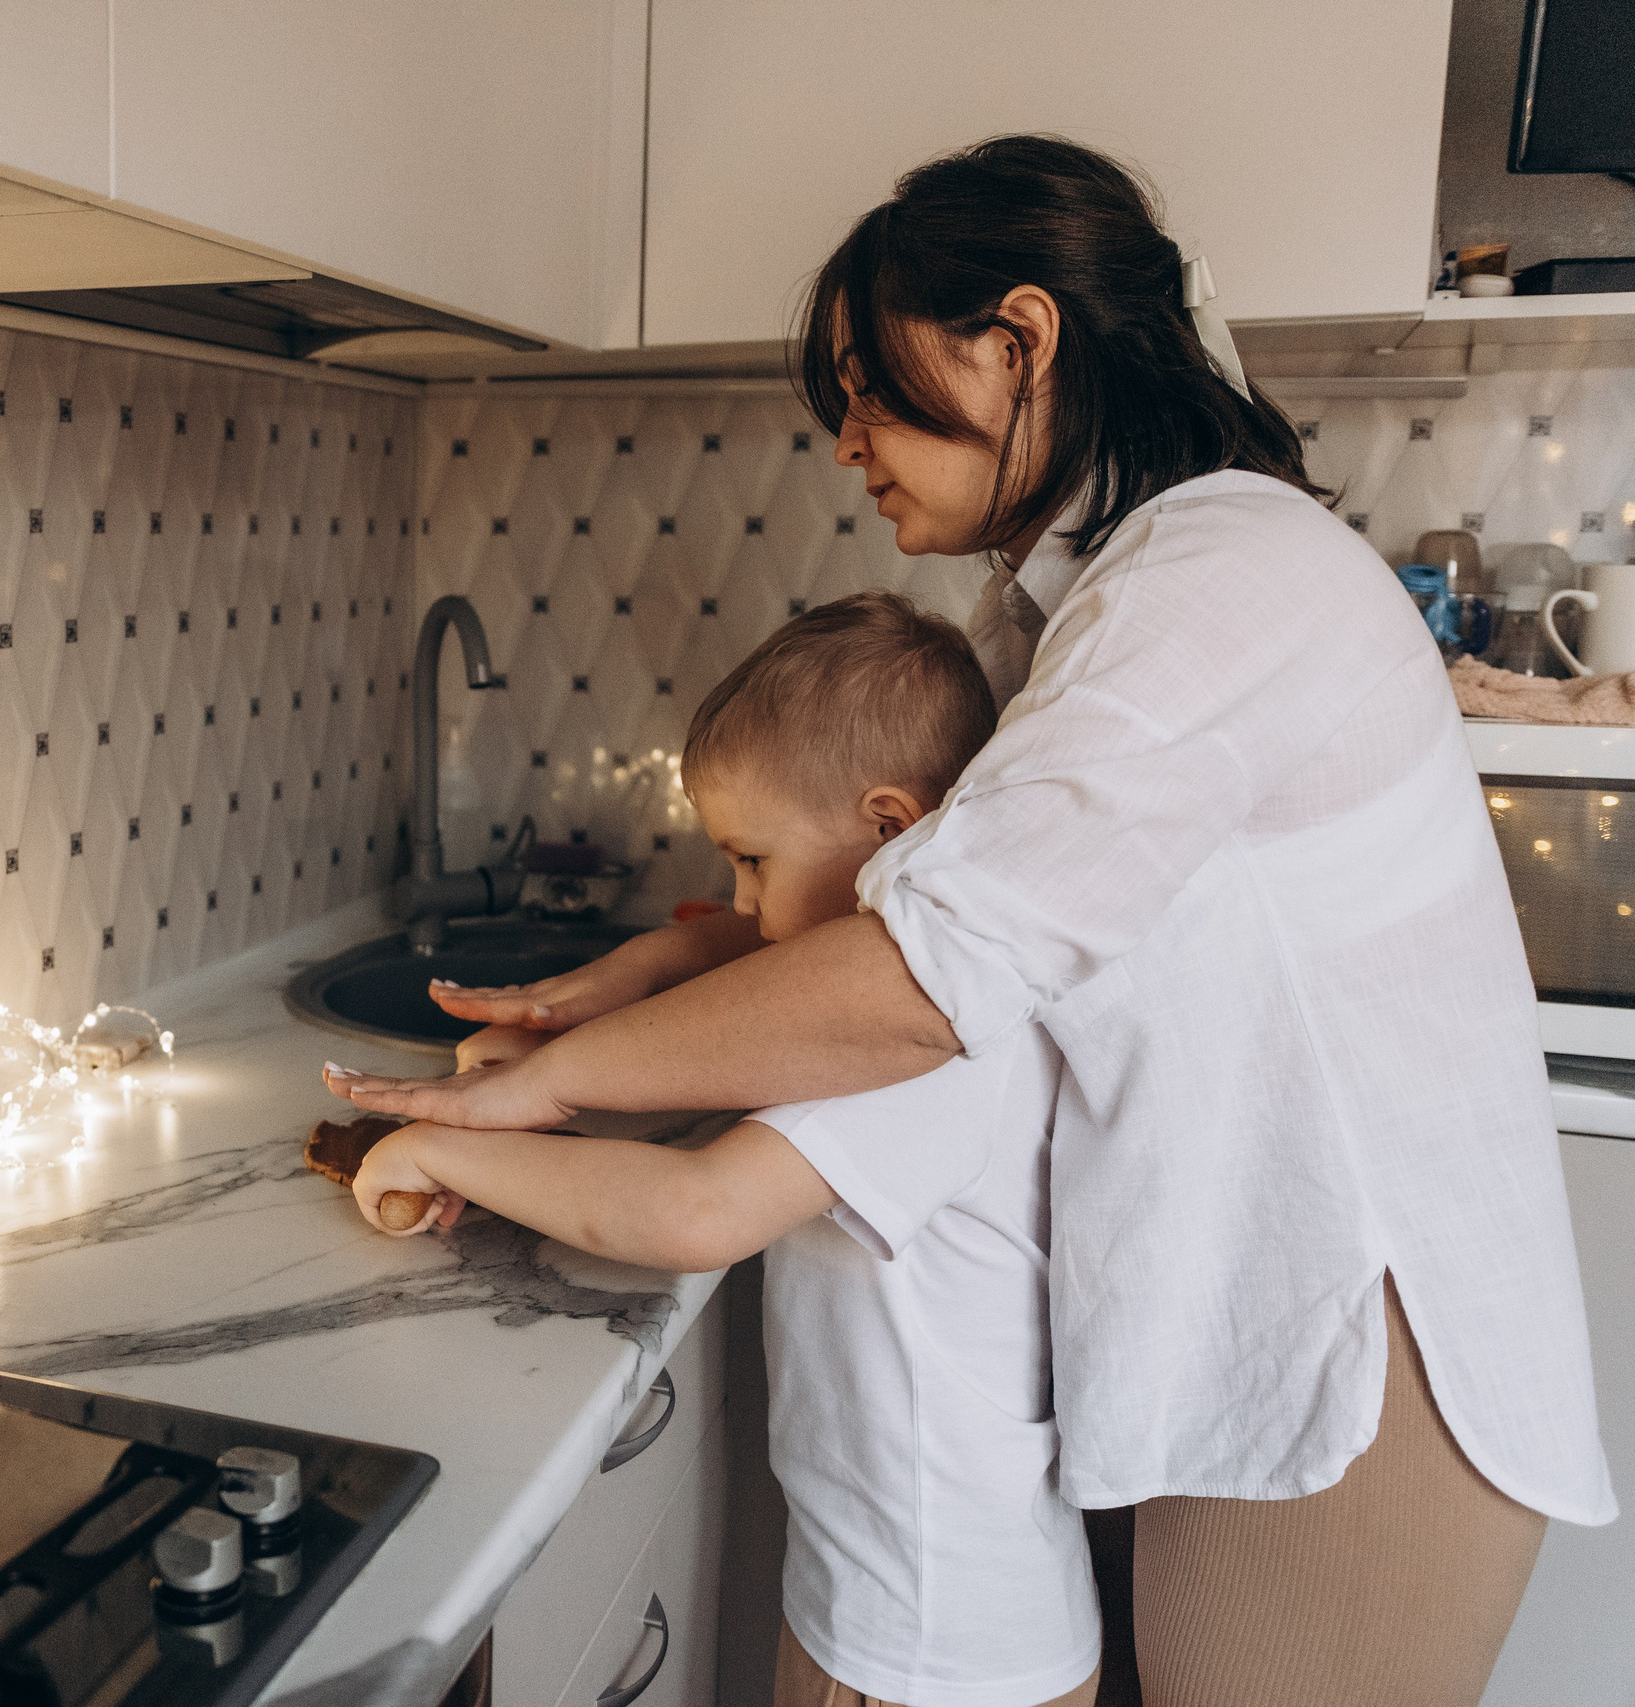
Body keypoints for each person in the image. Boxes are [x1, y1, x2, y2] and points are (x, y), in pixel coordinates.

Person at [326, 136, 1615, 1707]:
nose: (851, 441)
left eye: (874, 390)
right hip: (1255, 1317)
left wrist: (545, 1084)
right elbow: (927, 909)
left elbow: (923, 977)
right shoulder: (1070, 604)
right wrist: (629, 984)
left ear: (1019, 341)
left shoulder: (1221, 579)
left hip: (1365, 1350)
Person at [354, 593, 1099, 1707]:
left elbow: (692, 1210)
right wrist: (547, 1073)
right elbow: (721, 1012)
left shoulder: (915, 1039)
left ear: (889, 829)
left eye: (752, 858)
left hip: (926, 1651)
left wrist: (440, 1153)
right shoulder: (938, 996)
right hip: (936, 1612)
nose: (740, 900)